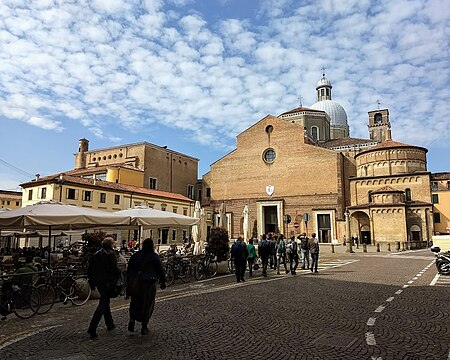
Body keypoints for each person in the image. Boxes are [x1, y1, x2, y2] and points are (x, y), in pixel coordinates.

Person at [126, 238, 166, 335]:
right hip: (149, 283)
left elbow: (129, 270)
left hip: (137, 283)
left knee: (135, 302)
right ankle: (144, 326)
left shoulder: (136, 256)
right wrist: (163, 281)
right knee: (147, 304)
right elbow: (160, 270)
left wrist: (129, 282)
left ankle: (132, 319)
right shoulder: (154, 256)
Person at [87, 237, 121, 339]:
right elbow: (114, 269)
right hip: (108, 282)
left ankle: (109, 323)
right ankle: (92, 327)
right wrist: (119, 276)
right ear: (110, 244)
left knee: (105, 301)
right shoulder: (111, 254)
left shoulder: (96, 254)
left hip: (99, 282)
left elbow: (90, 270)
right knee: (103, 303)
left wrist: (92, 282)